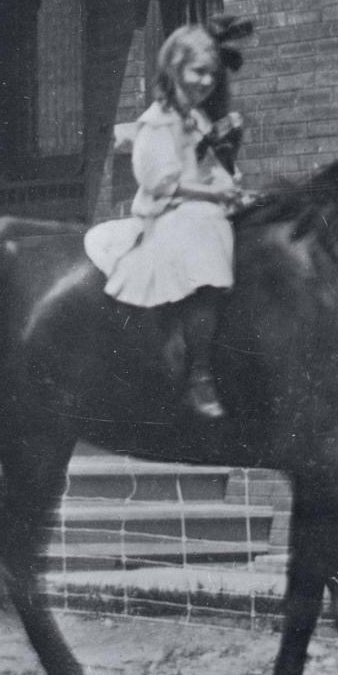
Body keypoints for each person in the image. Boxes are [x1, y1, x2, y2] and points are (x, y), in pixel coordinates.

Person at [85, 23, 248, 421]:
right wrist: (213, 194)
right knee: (205, 241)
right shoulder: (158, 121)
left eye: (212, 74)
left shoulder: (197, 119)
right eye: (198, 72)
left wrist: (232, 186)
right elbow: (160, 182)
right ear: (175, 70)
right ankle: (198, 374)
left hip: (200, 207)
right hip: (168, 213)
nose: (207, 81)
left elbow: (210, 172)